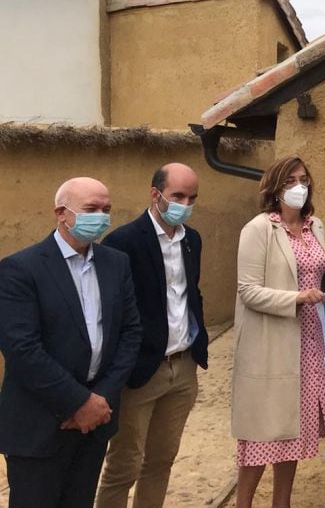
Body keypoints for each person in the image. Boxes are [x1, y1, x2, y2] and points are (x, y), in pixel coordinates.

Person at [0, 177, 141, 508]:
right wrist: (79, 402)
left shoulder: (115, 263)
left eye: (106, 210)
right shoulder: (20, 269)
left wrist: (100, 400)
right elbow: (22, 349)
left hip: (95, 423)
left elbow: (131, 333)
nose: (102, 217)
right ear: (61, 213)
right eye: (91, 209)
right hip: (39, 422)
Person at [97, 163, 209, 508]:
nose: (184, 204)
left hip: (183, 367)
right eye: (178, 196)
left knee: (161, 462)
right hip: (141, 372)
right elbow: (114, 312)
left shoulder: (192, 239)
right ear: (155, 194)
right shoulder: (122, 242)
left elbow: (189, 294)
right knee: (123, 465)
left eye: (191, 198)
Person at [232, 157, 325, 508]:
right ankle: (242, 503)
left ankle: (282, 503)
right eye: (290, 181)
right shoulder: (259, 228)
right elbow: (248, 290)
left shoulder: (315, 226)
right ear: (275, 188)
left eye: (304, 179)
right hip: (272, 342)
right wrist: (297, 298)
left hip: (311, 343)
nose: (299, 187)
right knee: (263, 434)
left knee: (293, 430)